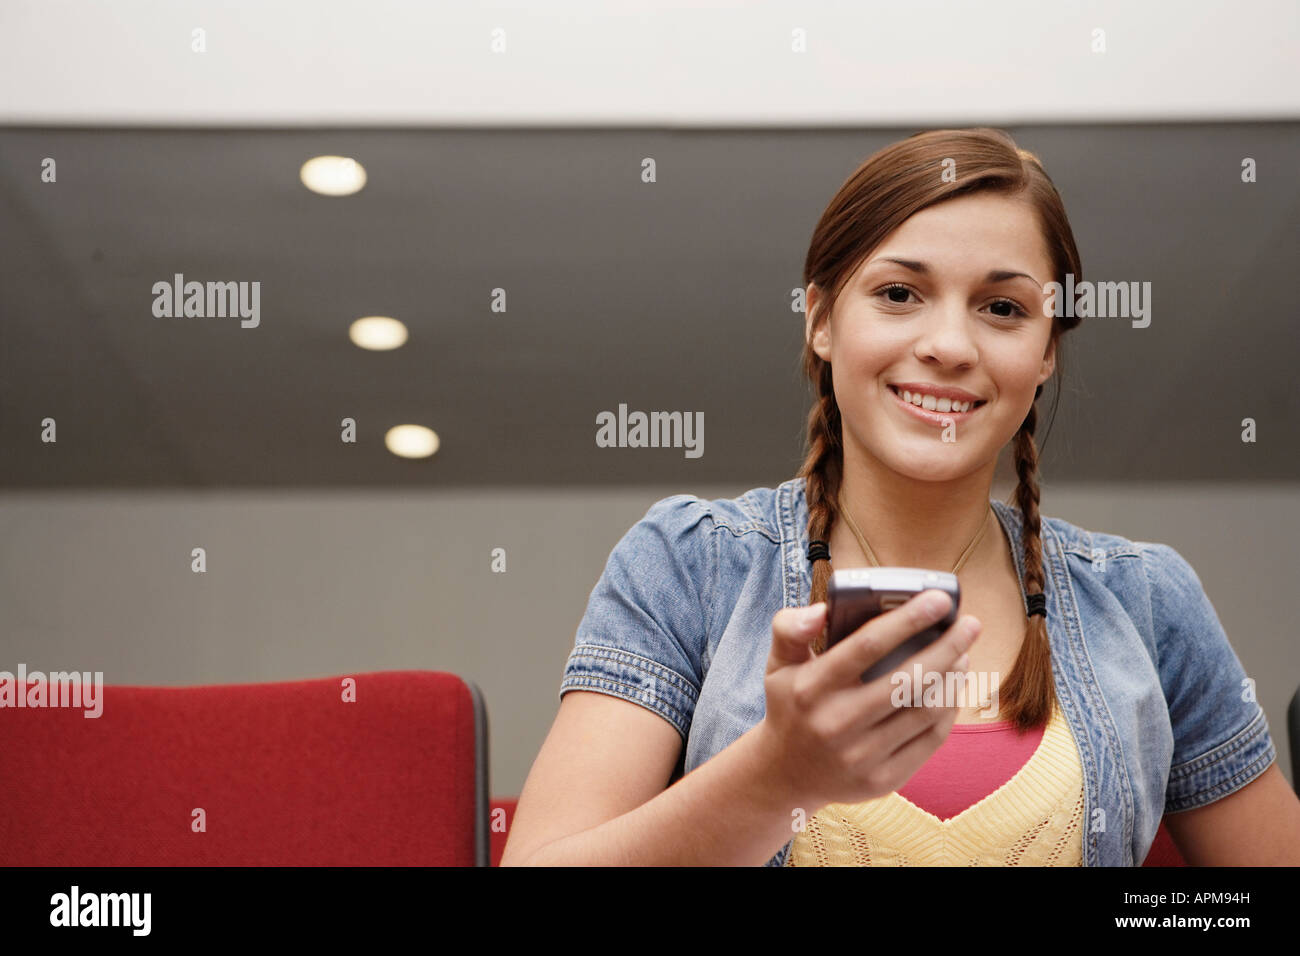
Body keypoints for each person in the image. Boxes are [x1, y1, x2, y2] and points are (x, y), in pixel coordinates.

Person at [500, 128, 1300, 866]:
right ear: (820, 319)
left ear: (1046, 351)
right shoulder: (690, 563)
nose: (949, 345)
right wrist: (773, 780)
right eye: (898, 294)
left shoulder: (1147, 600)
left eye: (1003, 309)